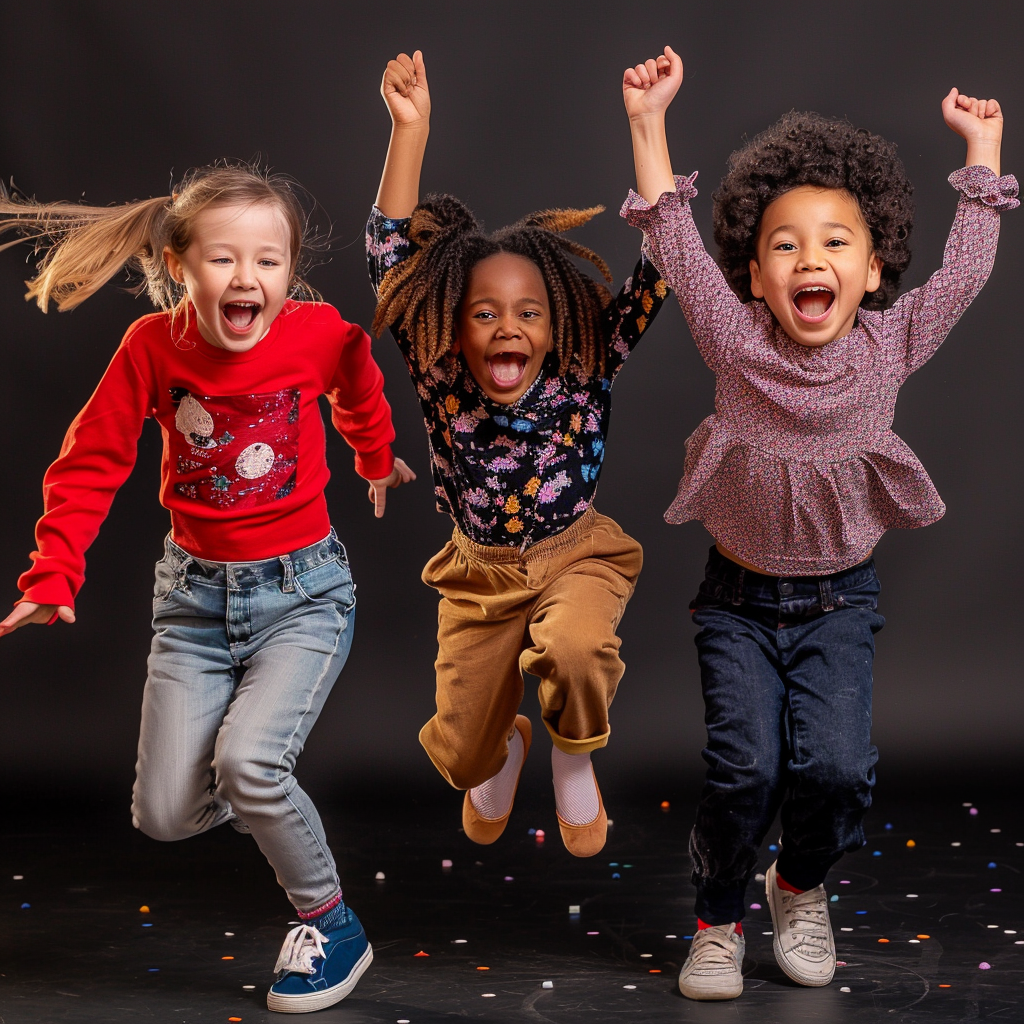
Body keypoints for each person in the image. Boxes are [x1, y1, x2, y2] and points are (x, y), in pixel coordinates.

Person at [620, 47, 1016, 1000]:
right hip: (739, 603)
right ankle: (718, 914)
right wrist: (647, 121)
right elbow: (672, 237)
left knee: (836, 772)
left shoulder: (893, 342)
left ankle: (795, 885)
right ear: (755, 277)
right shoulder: (734, 338)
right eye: (786, 245)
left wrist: (986, 148)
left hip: (841, 601)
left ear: (873, 267)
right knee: (745, 770)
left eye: (836, 243)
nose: (811, 260)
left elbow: (964, 273)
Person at [0, 164, 415, 1012]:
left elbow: (358, 386)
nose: (245, 279)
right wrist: (55, 569)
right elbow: (91, 462)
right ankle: (259, 795)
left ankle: (331, 925)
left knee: (251, 763)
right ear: (179, 264)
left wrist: (374, 458)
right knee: (161, 813)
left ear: (288, 274)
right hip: (191, 605)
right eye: (223, 260)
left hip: (303, 595)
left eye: (267, 262)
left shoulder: (315, 332)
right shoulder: (152, 348)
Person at [367, 51, 668, 857]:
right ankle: (501, 750)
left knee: (574, 654)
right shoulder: (438, 375)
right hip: (479, 573)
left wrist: (649, 124)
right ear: (449, 325)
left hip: (577, 556)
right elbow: (388, 252)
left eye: (529, 312)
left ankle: (573, 756)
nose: (509, 329)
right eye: (486, 314)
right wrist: (411, 129)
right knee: (459, 754)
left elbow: (663, 265)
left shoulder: (587, 358)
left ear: (557, 323)